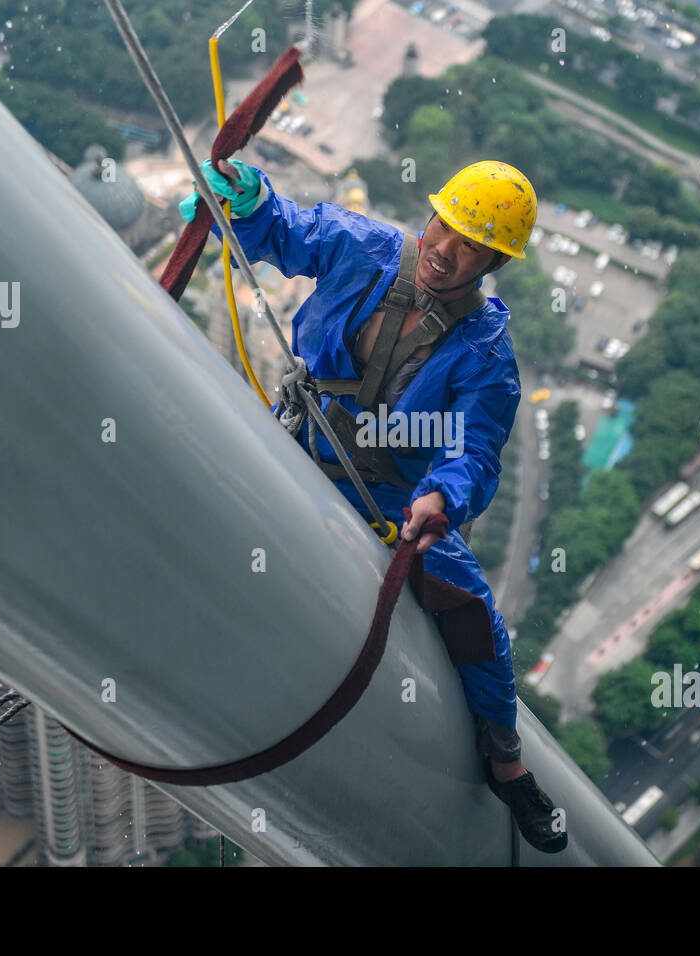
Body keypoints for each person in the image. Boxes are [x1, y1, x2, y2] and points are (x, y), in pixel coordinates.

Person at [182, 158, 566, 853]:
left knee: (473, 612)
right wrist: (250, 199)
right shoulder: (365, 248)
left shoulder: (485, 355)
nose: (446, 251)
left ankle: (506, 761)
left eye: (470, 244)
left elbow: (474, 452)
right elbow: (290, 232)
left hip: (391, 500)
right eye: (444, 227)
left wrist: (442, 497)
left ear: (493, 261)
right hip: (293, 446)